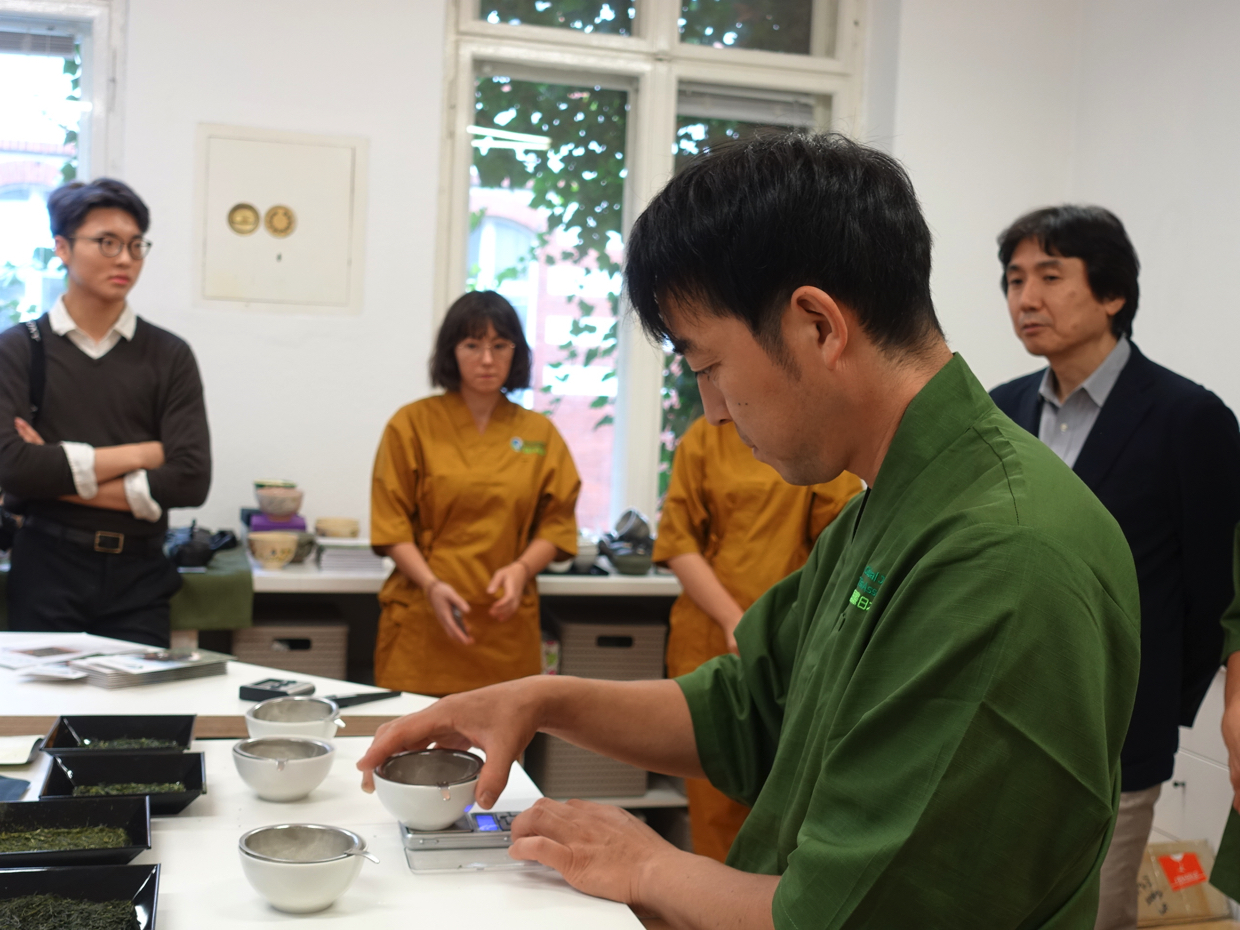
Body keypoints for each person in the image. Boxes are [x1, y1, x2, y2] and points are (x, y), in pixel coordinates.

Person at [357, 134, 1141, 929]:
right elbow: (748, 707)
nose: (714, 412)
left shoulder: (1001, 558)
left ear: (818, 326)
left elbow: (849, 916)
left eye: (707, 367)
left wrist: (646, 863)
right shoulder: (889, 508)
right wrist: (540, 699)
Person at [989, 206, 1240, 930]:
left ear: (1112, 294)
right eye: (1014, 280)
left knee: (1096, 912)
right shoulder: (1001, 410)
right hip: (1004, 720)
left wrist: (1153, 697)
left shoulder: (1189, 417)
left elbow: (1215, 593)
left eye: (1049, 277)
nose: (1026, 298)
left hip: (1118, 728)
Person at [0, 178, 211, 647]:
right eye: (107, 242)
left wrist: (54, 474)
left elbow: (191, 480)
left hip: (141, 573)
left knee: (136, 699)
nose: (125, 259)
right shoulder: (19, 349)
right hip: (46, 566)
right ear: (62, 247)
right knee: (42, 698)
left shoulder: (169, 355)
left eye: (136, 245)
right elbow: (13, 467)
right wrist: (145, 453)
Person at [653, 415, 861, 861]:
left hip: (792, 643)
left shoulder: (808, 432)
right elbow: (678, 541)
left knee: (792, 798)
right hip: (708, 635)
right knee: (715, 793)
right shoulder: (703, 439)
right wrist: (734, 621)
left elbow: (845, 539)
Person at [369, 290, 580, 696]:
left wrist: (521, 570)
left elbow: (557, 524)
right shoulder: (410, 425)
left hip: (505, 624)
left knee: (503, 732)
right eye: (472, 345)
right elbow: (391, 525)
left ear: (516, 352)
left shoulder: (539, 434)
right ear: (452, 351)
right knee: (413, 733)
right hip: (424, 620)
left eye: (500, 346)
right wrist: (431, 585)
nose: (487, 359)